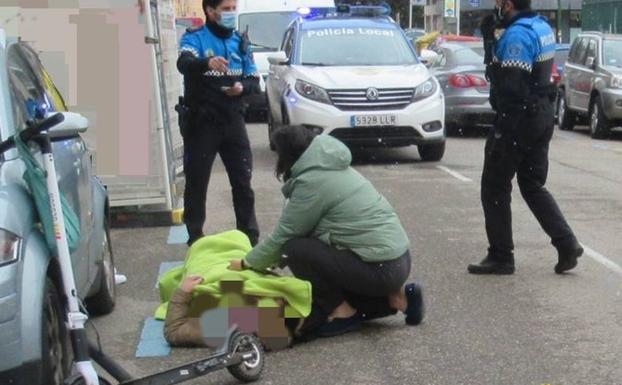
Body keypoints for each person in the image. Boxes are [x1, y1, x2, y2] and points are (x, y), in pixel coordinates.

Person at [229, 126, 425, 339]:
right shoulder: (333, 166)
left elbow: (286, 233)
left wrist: (247, 263)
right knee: (320, 257)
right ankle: (399, 299)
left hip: (380, 269)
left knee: (294, 249)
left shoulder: (313, 181)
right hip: (398, 261)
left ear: (290, 154)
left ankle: (342, 312)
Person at [469, 0, 583, 275]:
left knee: (494, 186)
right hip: (542, 115)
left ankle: (501, 256)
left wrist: (503, 129)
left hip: (519, 118)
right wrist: (491, 41)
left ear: (507, 4)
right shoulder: (541, 26)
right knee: (532, 184)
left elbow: (511, 86)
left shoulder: (517, 36)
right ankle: (567, 243)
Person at [176, 0, 260, 247]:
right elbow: (184, 64)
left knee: (243, 182)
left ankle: (249, 238)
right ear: (211, 11)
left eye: (234, 8)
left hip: (233, 120)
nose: (232, 13)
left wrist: (242, 87)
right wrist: (206, 63)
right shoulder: (196, 38)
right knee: (197, 183)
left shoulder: (241, 42)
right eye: (227, 8)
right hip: (202, 123)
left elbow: (255, 81)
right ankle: (195, 238)